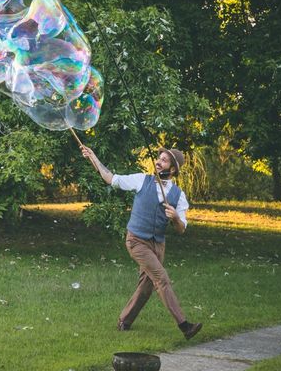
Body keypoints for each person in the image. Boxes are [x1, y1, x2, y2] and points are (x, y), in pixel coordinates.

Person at [79, 145, 203, 340]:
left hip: (158, 245)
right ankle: (185, 326)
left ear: (172, 170)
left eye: (163, 160)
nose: (158, 161)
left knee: (146, 286)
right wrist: (92, 156)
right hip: (136, 241)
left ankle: (124, 321)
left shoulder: (179, 196)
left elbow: (181, 229)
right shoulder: (141, 180)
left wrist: (175, 218)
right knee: (161, 278)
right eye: (158, 158)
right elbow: (111, 178)